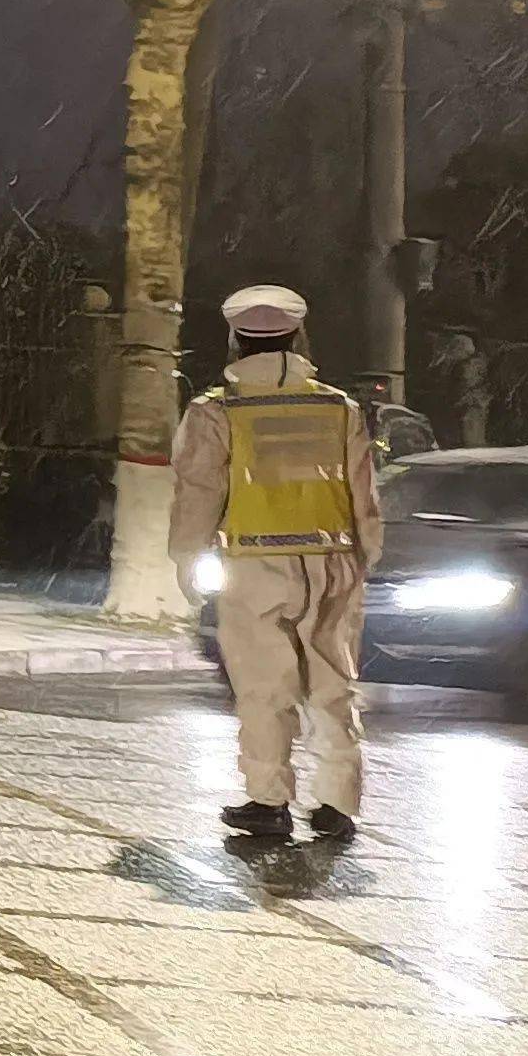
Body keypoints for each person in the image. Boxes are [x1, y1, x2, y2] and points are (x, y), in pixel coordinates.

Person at [171, 280, 383, 848]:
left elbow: (197, 494)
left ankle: (269, 802)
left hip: (254, 565)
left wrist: (188, 565)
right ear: (298, 337)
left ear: (236, 340)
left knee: (265, 688)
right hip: (333, 561)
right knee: (333, 685)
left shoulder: (216, 412)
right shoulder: (340, 409)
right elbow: (365, 496)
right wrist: (364, 561)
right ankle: (339, 804)